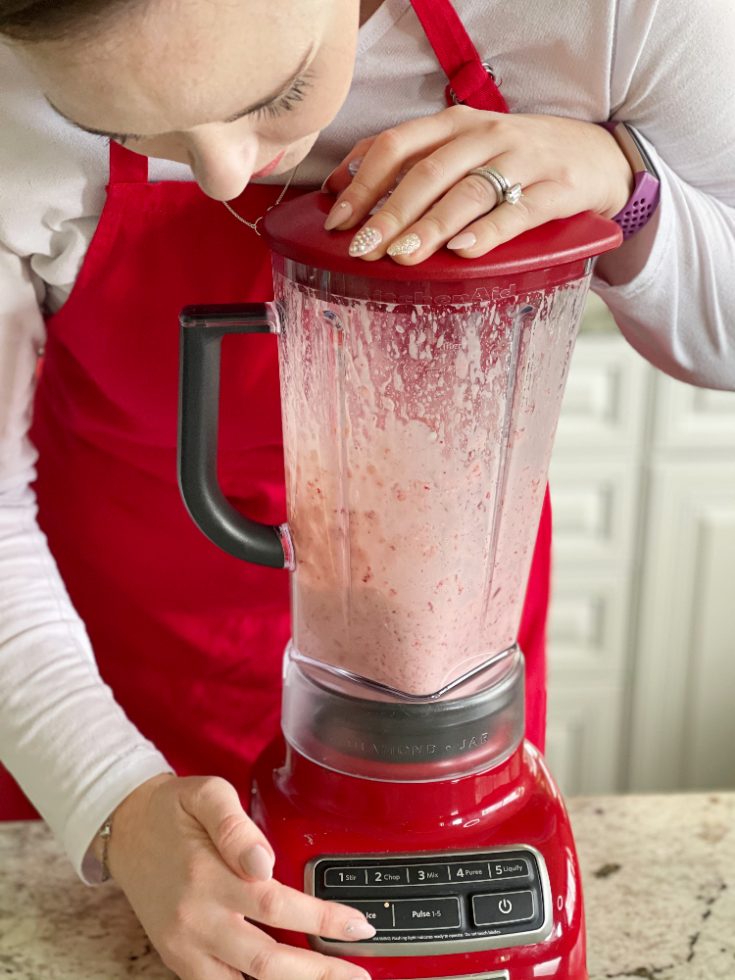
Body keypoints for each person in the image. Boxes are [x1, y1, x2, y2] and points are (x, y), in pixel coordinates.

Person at [0, 0, 733, 978]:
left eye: (280, 94)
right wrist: (114, 801)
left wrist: (628, 184)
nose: (226, 174)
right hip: (89, 665)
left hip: (456, 655)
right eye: (120, 129)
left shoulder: (604, 15)